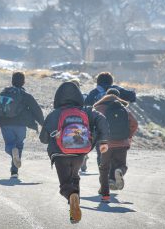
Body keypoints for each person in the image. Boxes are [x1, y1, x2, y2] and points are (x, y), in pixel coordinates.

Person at [40, 81, 109, 224]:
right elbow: (102, 120)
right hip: (80, 152)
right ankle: (74, 211)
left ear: (58, 97)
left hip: (60, 153)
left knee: (65, 184)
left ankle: (72, 197)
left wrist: (54, 134)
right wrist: (103, 141)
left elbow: (43, 139)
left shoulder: (54, 114)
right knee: (74, 176)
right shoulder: (87, 111)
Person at [0, 71, 44, 179]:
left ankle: (12, 156)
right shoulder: (25, 95)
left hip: (6, 124)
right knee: (19, 145)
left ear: (12, 81)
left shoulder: (3, 93)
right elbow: (36, 109)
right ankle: (14, 172)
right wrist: (42, 123)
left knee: (10, 145)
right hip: (21, 125)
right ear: (23, 82)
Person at [83, 72, 137, 169]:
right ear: (111, 81)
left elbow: (86, 105)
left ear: (98, 82)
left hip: (101, 129)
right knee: (119, 153)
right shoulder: (116, 90)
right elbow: (132, 97)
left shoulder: (94, 92)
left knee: (101, 152)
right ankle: (115, 172)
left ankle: (103, 172)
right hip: (119, 130)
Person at [94, 88, 138, 202]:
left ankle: (105, 192)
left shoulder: (99, 108)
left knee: (104, 167)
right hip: (122, 143)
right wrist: (128, 136)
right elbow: (134, 124)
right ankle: (119, 171)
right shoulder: (123, 109)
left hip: (105, 143)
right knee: (122, 165)